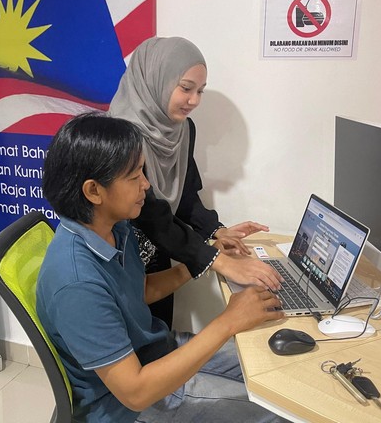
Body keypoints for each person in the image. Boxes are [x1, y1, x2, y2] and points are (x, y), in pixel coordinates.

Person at [37, 113, 286, 422]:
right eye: (134, 177)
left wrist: (201, 262)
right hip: (131, 406)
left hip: (158, 351)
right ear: (93, 191)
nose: (146, 185)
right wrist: (229, 321)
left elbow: (138, 291)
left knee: (274, 368)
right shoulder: (76, 284)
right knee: (279, 411)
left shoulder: (115, 228)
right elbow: (136, 392)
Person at [109, 36, 282, 326]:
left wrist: (216, 230)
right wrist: (217, 260)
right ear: (156, 81)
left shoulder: (182, 128)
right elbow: (151, 215)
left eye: (200, 91)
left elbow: (186, 194)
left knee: (159, 334)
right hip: (122, 258)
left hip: (159, 256)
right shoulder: (119, 138)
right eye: (186, 88)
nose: (195, 101)